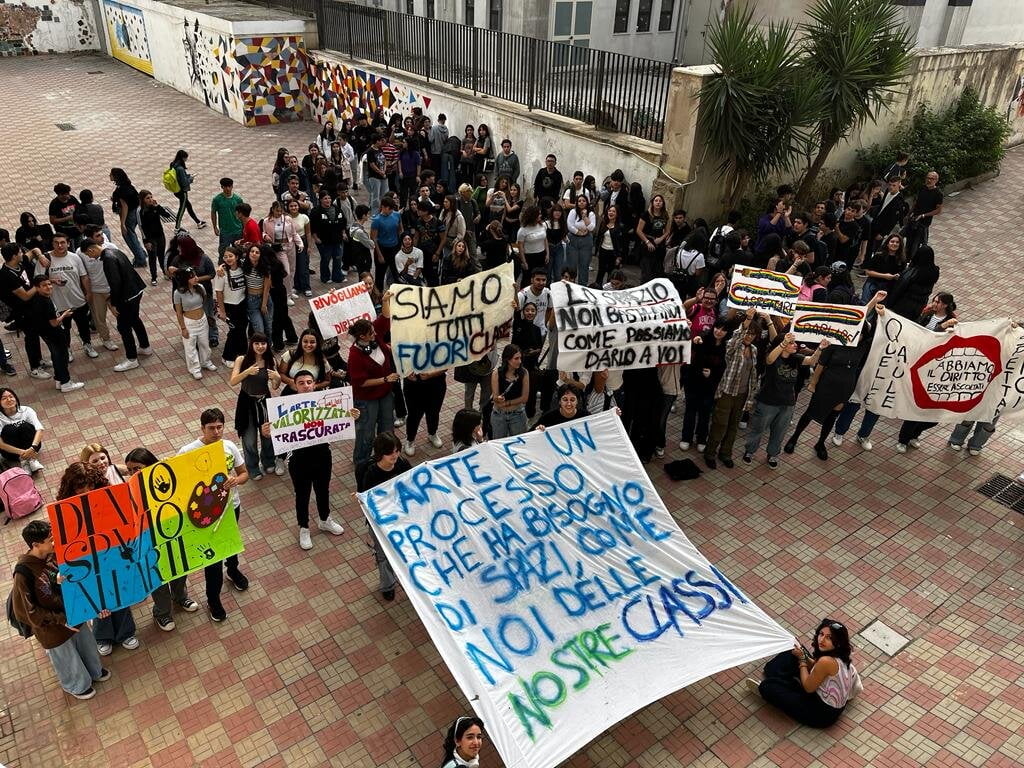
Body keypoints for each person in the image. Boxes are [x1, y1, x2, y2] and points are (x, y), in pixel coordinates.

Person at [10, 519, 112, 700]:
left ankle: (94, 671)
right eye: (50, 540)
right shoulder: (22, 574)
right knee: (66, 657)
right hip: (52, 627)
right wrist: (61, 620)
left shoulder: (54, 555)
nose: (54, 543)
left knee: (86, 645)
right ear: (35, 545)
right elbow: (27, 611)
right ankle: (76, 685)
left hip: (72, 614)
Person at [56, 462, 140, 657]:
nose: (86, 491)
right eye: (80, 487)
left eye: (91, 486)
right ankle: (102, 636)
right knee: (97, 598)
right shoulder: (64, 511)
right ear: (71, 488)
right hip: (86, 558)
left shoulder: (110, 500)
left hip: (112, 552)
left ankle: (125, 632)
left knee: (120, 591)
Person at [179, 408, 249, 621]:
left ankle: (233, 570)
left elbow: (244, 473)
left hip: (231, 507)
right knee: (212, 557)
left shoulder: (229, 447)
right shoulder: (187, 451)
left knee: (231, 543)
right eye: (211, 428)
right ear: (202, 428)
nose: (217, 432)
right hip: (205, 515)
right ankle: (213, 598)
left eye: (220, 427)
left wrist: (236, 481)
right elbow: (180, 483)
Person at [123, 447, 199, 631]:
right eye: (130, 470)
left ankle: (180, 597)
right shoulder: (129, 491)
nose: (133, 473)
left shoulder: (165, 481)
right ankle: (162, 612)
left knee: (179, 569)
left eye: (137, 468)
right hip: (149, 541)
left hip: (173, 535)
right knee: (158, 577)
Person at [746, 619, 863, 728]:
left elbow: (808, 687)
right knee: (794, 652)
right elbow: (816, 667)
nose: (821, 640)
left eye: (829, 638)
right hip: (821, 692)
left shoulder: (826, 661)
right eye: (821, 634)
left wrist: (802, 659)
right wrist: (803, 655)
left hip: (821, 713)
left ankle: (770, 685)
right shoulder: (840, 654)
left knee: (768, 687)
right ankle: (782, 679)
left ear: (837, 642)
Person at [743, 332, 828, 468]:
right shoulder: (774, 358)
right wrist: (783, 342)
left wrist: (820, 349)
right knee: (758, 428)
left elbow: (811, 361)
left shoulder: (795, 358)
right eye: (791, 343)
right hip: (767, 402)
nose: (795, 345)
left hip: (787, 403)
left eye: (794, 342)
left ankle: (773, 454)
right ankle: (749, 451)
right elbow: (769, 359)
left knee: (779, 431)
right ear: (782, 345)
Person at [287, 370, 349, 550]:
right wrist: (267, 431)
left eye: (309, 382)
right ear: (295, 385)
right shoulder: (285, 402)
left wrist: (351, 415)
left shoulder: (325, 401)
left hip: (322, 454)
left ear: (314, 384)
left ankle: (324, 519)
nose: (306, 386)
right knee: (302, 494)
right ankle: (304, 527)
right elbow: (276, 428)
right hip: (298, 459)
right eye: (301, 383)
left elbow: (339, 418)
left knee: (323, 490)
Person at [703, 310, 763, 469]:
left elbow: (752, 374)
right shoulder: (732, 345)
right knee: (719, 424)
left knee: (733, 426)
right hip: (727, 392)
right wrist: (748, 319)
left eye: (752, 334)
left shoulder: (754, 350)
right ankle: (710, 453)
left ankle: (725, 453)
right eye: (747, 333)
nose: (749, 336)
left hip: (742, 394)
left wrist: (750, 397)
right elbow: (737, 336)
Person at [81, 241, 151, 372]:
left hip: (127, 296)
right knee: (135, 319)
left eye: (88, 255)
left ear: (91, 250)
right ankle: (145, 346)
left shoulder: (107, 259)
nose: (89, 258)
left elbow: (115, 283)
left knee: (123, 327)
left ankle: (131, 359)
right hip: (136, 290)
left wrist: (113, 303)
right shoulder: (114, 251)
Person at [355, 433, 409, 601]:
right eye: (390, 452)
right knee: (383, 554)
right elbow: (368, 500)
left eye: (397, 451)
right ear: (379, 453)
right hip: (380, 522)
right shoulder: (371, 473)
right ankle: (388, 585)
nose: (394, 455)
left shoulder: (402, 464)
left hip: (401, 517)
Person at [347, 317, 398, 469]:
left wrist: (386, 300)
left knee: (387, 427)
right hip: (366, 399)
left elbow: (385, 317)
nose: (375, 333)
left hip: (385, 394)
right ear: (362, 336)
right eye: (372, 332)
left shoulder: (376, 339)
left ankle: (384, 456)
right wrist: (385, 379)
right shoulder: (355, 355)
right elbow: (361, 382)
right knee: (366, 433)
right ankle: (361, 463)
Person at [230, 333, 281, 479]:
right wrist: (247, 372)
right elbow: (233, 381)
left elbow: (275, 386)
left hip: (264, 401)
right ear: (251, 344)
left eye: (263, 343)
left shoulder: (270, 360)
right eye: (257, 343)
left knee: (267, 434)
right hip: (246, 402)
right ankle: (252, 467)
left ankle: (268, 460)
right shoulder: (242, 360)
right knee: (249, 438)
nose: (260, 347)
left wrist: (277, 378)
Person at [39, 232, 96, 361]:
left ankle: (87, 344)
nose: (60, 245)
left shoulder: (75, 257)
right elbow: (38, 281)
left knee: (83, 326)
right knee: (65, 330)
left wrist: (88, 293)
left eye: (63, 242)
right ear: (52, 244)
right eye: (56, 243)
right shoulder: (46, 259)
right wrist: (53, 281)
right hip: (58, 304)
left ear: (68, 243)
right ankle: (67, 349)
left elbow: (84, 276)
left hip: (78, 300)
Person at [26, 275, 83, 393]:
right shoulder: (46, 302)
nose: (48, 287)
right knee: (62, 358)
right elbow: (54, 322)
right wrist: (64, 314)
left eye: (49, 284)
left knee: (56, 357)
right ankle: (66, 383)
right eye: (44, 285)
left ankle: (59, 380)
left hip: (46, 334)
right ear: (37, 288)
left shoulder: (37, 298)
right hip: (54, 333)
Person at [680, 321, 729, 452]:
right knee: (690, 411)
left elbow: (724, 368)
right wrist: (695, 341)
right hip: (693, 381)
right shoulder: (703, 338)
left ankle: (701, 438)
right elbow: (691, 358)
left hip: (711, 386)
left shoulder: (726, 347)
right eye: (718, 327)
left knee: (705, 413)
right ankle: (686, 438)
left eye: (723, 330)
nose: (719, 331)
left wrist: (712, 375)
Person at [173, 267, 217, 379]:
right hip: (189, 323)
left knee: (205, 344)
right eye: (192, 277)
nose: (196, 278)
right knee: (190, 348)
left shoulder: (201, 288)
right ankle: (195, 368)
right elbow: (178, 312)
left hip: (202, 320)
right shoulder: (178, 293)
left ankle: (206, 362)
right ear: (185, 279)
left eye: (195, 275)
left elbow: (205, 304)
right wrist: (183, 328)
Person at [0, 388, 44, 473]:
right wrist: (23, 453)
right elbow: (0, 444)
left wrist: (32, 448)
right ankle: (24, 461)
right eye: (4, 398)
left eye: (11, 396)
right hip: (11, 454)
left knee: (24, 426)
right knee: (9, 429)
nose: (9, 400)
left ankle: (31, 460)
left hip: (33, 448)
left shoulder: (26, 410)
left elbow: (40, 429)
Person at [490, 344, 529, 437]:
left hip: (517, 414)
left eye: (520, 358)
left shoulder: (524, 373)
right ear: (507, 359)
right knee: (499, 443)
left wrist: (507, 403)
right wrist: (498, 399)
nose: (519, 361)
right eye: (516, 358)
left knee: (519, 443)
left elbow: (524, 398)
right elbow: (495, 397)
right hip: (499, 414)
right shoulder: (496, 374)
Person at [903, 170, 943, 258]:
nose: (929, 180)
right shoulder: (922, 188)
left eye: (932, 179)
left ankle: (913, 261)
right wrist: (908, 214)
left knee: (916, 244)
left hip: (923, 223)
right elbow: (916, 202)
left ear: (936, 180)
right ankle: (905, 260)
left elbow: (938, 210)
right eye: (928, 178)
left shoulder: (938, 194)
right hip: (914, 218)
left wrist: (924, 215)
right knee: (909, 241)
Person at [139, 189, 173, 285]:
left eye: (151, 197)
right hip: (150, 238)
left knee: (161, 255)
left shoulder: (155, 208)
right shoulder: (141, 212)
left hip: (160, 235)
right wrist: (146, 241)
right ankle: (154, 277)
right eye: (147, 198)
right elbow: (142, 228)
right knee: (152, 257)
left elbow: (167, 215)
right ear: (143, 200)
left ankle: (165, 273)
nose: (150, 199)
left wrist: (158, 206)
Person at [241, 243, 274, 339]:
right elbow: (229, 263)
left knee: (268, 327)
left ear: (261, 255)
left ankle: (268, 347)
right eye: (252, 251)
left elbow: (267, 287)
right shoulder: (243, 264)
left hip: (265, 299)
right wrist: (220, 268)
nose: (254, 254)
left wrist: (264, 304)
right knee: (259, 329)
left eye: (257, 252)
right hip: (251, 301)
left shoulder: (265, 267)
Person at [169, 149, 205, 230]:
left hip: (176, 190)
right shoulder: (180, 169)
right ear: (183, 158)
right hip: (182, 191)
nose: (186, 160)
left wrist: (187, 176)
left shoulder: (173, 164)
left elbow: (178, 178)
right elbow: (184, 183)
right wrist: (191, 178)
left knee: (188, 206)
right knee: (182, 209)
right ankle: (177, 228)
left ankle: (198, 222)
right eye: (186, 158)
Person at [210, 177, 244, 256]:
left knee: (239, 252)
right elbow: (213, 213)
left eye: (229, 186)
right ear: (222, 187)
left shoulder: (238, 199)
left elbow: (243, 214)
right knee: (223, 253)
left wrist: (244, 227)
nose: (228, 189)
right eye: (225, 187)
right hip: (225, 231)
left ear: (232, 186)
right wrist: (215, 227)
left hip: (238, 230)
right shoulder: (217, 200)